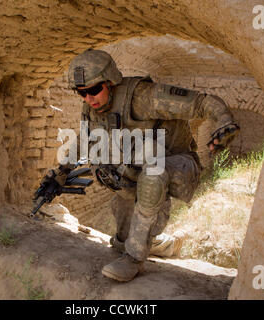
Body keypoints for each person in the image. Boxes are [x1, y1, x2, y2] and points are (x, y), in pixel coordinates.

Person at [65, 49, 239, 282]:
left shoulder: (143, 96)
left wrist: (224, 121)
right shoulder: (92, 108)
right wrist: (61, 172)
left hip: (176, 164)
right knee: (122, 237)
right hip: (136, 170)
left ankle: (134, 259)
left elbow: (201, 102)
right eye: (81, 93)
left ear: (111, 82)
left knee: (152, 174)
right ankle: (166, 245)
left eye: (94, 90)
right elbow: (83, 140)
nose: (88, 98)